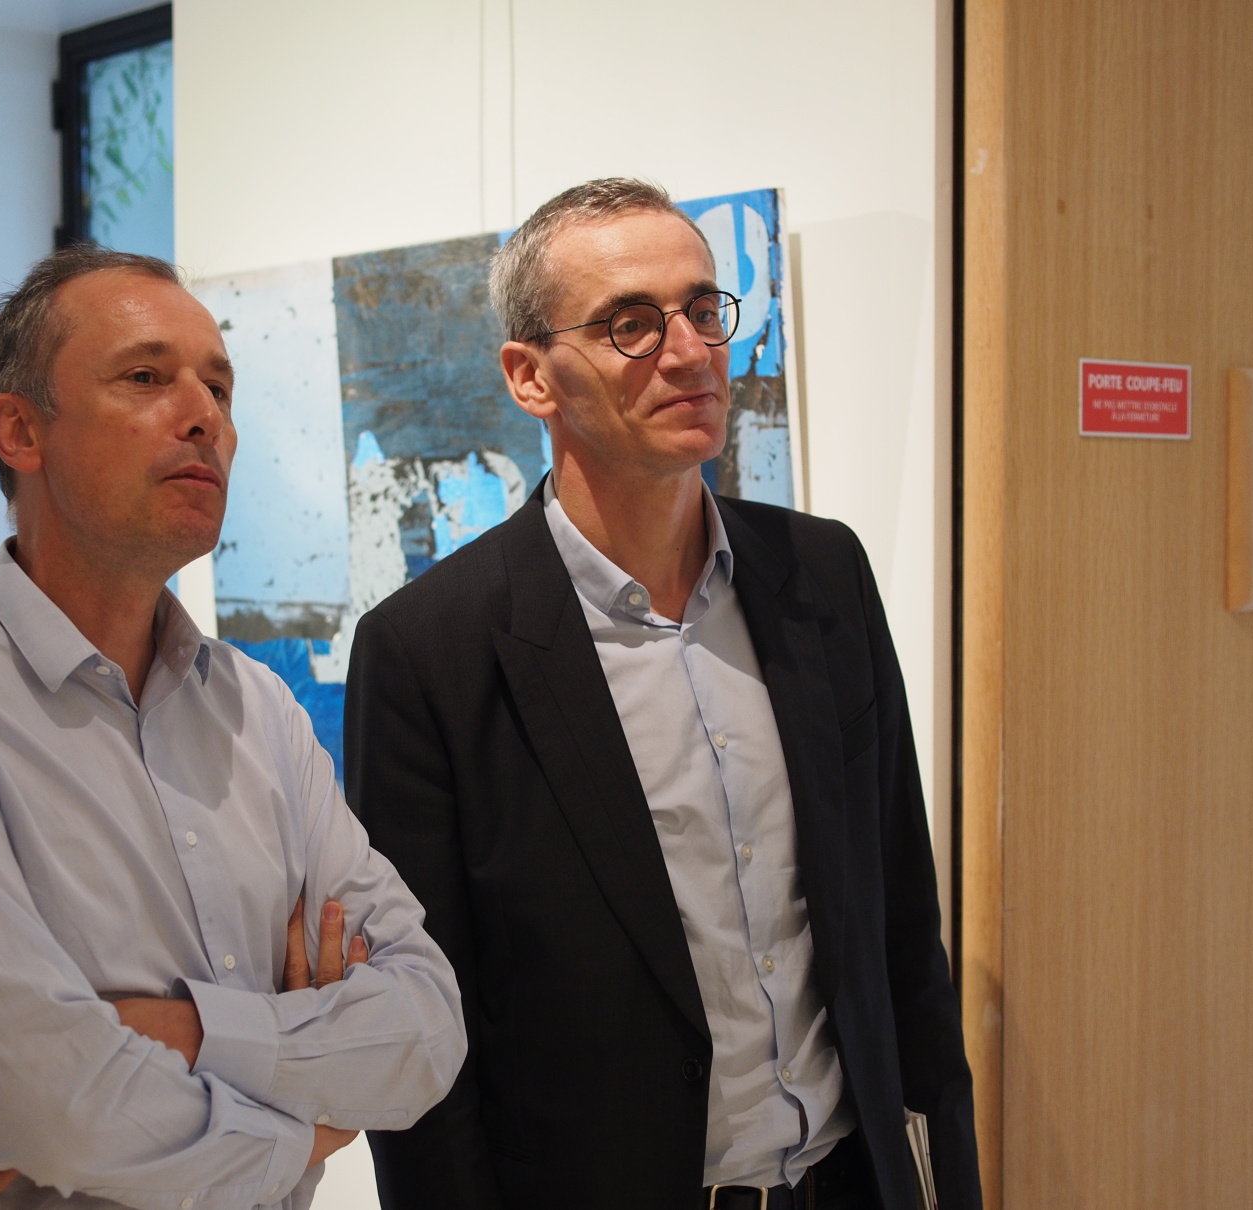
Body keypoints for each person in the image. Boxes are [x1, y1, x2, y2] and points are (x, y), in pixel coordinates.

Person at [344, 179, 980, 1210]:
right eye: (630, 324)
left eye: (700, 308)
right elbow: (420, 1026)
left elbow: (900, 918)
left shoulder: (821, 575)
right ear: (529, 375)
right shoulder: (430, 650)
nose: (687, 352)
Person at [0, 246, 466, 1210]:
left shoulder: (259, 709)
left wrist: (177, 1029)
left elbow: (427, 1027)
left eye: (219, 387)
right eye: (147, 378)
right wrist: (317, 1121)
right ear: (19, 430)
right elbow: (58, 1107)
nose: (205, 416)